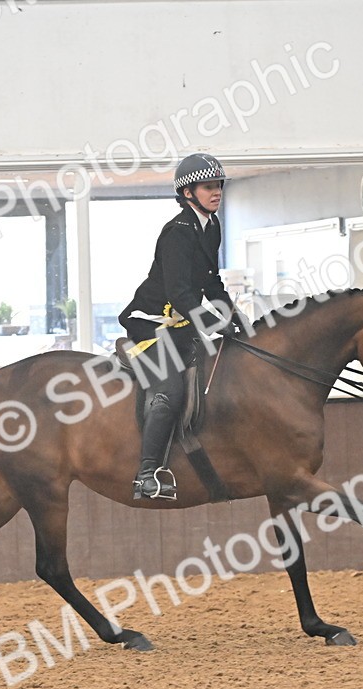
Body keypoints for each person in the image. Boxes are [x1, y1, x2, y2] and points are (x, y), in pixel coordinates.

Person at [118, 153, 248, 501]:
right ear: (188, 192)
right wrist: (212, 323)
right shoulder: (177, 232)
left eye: (218, 185)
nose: (216, 192)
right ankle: (147, 474)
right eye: (208, 186)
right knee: (172, 388)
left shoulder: (212, 226)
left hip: (180, 325)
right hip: (151, 324)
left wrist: (233, 316)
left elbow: (212, 283)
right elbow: (179, 292)